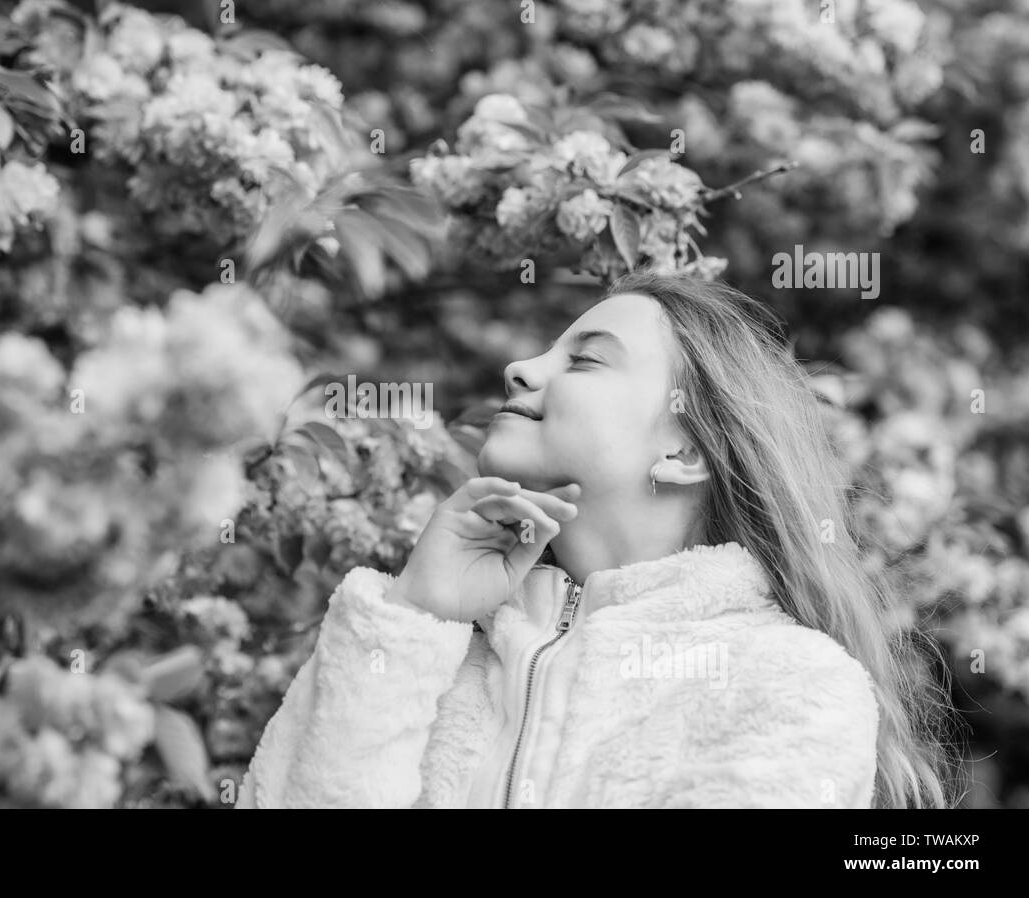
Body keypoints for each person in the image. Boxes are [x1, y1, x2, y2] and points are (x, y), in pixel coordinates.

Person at [236, 270, 959, 809]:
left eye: (584, 360)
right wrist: (414, 614)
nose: (520, 367)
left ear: (686, 453)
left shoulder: (789, 684)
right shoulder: (424, 648)